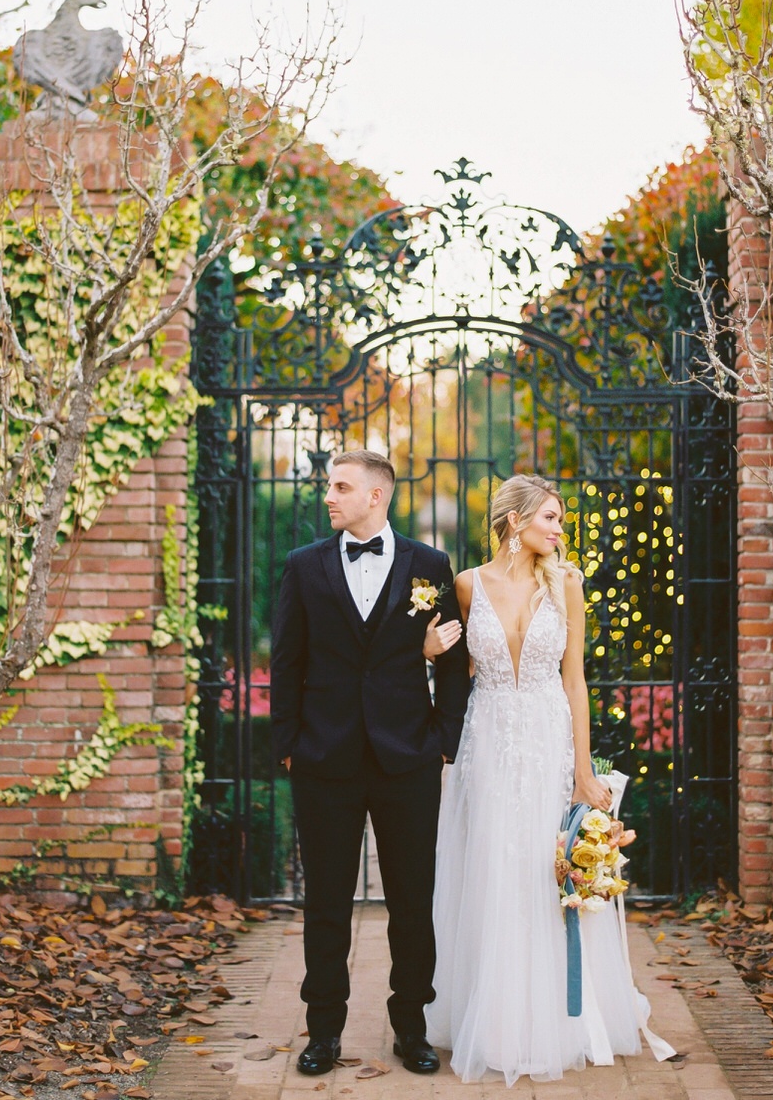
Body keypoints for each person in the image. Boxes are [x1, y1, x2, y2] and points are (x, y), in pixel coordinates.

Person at [423, 474, 676, 1085]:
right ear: (516, 521)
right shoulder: (465, 585)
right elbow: (455, 674)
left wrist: (583, 771)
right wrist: (427, 654)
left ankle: (562, 1016)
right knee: (492, 868)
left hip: (547, 741)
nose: (559, 531)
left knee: (550, 868)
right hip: (486, 741)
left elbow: (575, 682)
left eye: (560, 520)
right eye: (551, 519)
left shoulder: (567, 584)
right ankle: (495, 1017)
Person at [270, 450, 470, 1077]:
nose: (328, 496)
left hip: (406, 757)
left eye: (340, 486)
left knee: (413, 901)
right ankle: (323, 1032)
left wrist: (444, 740)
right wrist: (288, 744)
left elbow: (456, 660)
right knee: (326, 901)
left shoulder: (430, 565)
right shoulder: (303, 567)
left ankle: (412, 1028)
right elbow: (285, 663)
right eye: (329, 486)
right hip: (324, 759)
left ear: (376, 495)